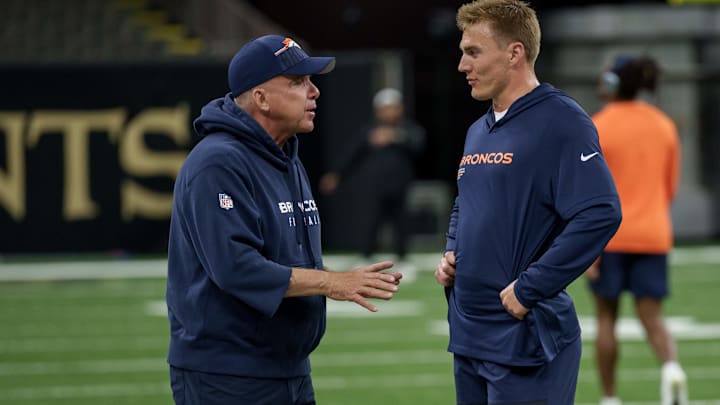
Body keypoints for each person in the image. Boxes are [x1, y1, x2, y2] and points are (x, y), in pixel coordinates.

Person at [165, 34, 403, 405]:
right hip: (229, 375)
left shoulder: (285, 157)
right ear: (260, 98)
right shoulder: (217, 163)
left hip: (287, 368)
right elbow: (235, 267)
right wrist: (331, 283)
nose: (314, 92)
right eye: (298, 82)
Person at [434, 1, 622, 404]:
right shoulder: (477, 130)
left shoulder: (561, 121)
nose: (462, 66)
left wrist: (531, 287)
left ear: (514, 52)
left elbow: (600, 211)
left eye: (473, 52)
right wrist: (452, 252)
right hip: (470, 337)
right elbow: (465, 201)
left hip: (525, 338)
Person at [585, 55, 687, 405]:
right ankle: (672, 369)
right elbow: (670, 187)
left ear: (611, 84)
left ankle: (610, 397)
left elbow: (590, 192)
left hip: (608, 238)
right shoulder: (663, 125)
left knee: (606, 320)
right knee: (653, 318)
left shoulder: (597, 126)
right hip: (653, 234)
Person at [318, 88, 426, 272]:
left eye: (393, 107)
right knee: (370, 221)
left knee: (401, 223)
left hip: (400, 186)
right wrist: (336, 175)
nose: (389, 112)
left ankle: (402, 258)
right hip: (374, 187)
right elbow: (352, 155)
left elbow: (419, 145)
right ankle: (366, 255)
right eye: (385, 108)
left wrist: (396, 137)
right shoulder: (369, 131)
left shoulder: (408, 129)